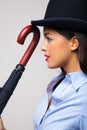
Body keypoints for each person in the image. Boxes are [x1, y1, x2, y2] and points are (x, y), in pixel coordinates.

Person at [31, 0, 87, 129]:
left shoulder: (84, 97)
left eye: (49, 38)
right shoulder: (55, 84)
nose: (43, 47)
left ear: (74, 43)